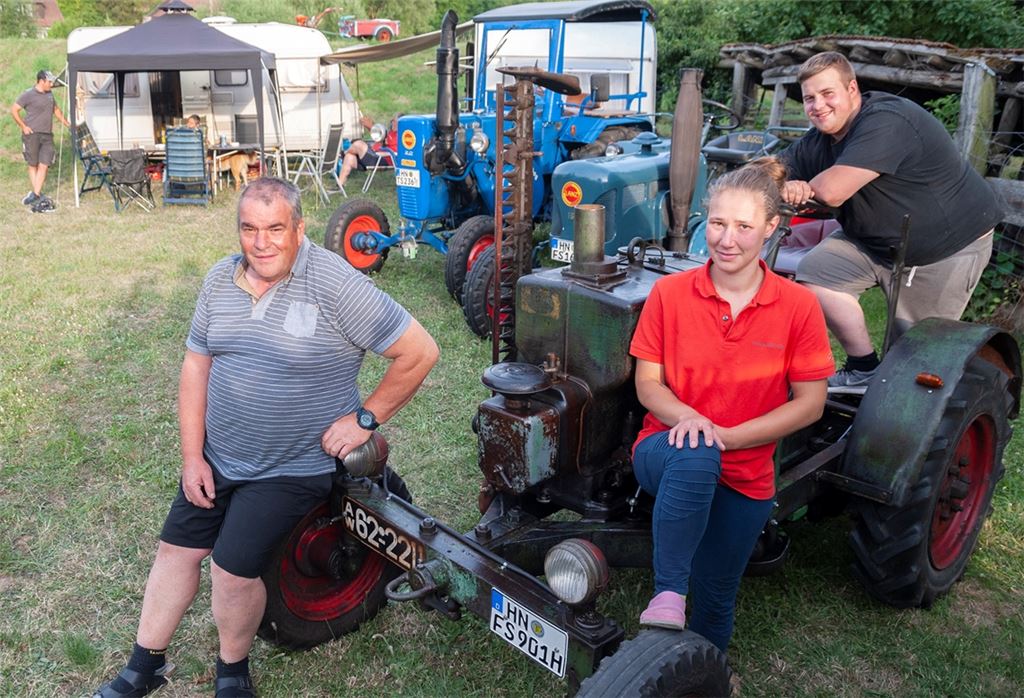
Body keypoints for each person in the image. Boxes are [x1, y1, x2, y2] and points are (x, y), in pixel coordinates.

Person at [93, 177, 439, 698]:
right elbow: (195, 366)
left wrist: (364, 419)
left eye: (276, 228)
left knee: (231, 570)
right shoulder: (219, 281)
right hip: (220, 456)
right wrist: (193, 457)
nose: (262, 242)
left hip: (292, 466)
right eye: (250, 229)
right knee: (175, 552)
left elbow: (419, 351)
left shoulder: (334, 285)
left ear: (299, 229)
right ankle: (144, 668)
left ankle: (233, 672)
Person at [629, 158, 833, 653]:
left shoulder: (798, 306)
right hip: (666, 446)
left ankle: (707, 674)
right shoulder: (670, 293)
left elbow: (811, 404)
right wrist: (693, 419)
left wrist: (733, 437)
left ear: (770, 227)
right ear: (705, 222)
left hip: (747, 470)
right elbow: (649, 386)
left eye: (744, 226)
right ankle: (669, 592)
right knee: (697, 451)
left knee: (719, 594)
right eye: (718, 223)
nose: (727, 239)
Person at [781, 52, 1002, 389]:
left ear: (852, 88)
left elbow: (833, 191)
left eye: (828, 94)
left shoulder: (887, 120)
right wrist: (778, 182)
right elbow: (769, 171)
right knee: (817, 275)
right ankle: (863, 368)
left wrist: (798, 189)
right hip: (875, 240)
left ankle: (920, 420)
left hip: (946, 246)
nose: (817, 106)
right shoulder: (818, 142)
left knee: (909, 366)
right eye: (809, 98)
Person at [11, 69, 70, 213]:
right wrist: (23, 126)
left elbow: (56, 110)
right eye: (49, 81)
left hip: (47, 135)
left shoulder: (50, 94)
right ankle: (37, 195)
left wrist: (68, 124)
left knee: (44, 165)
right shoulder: (28, 94)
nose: (51, 84)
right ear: (41, 81)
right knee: (33, 165)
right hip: (31, 135)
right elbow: (14, 110)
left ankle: (35, 195)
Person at [336, 113, 399, 188]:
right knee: (349, 157)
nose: (393, 123)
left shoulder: (400, 136)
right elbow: (380, 137)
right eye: (392, 121)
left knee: (359, 144)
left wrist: (371, 126)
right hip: (373, 156)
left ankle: (342, 154)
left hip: (382, 159)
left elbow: (389, 145)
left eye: (395, 121)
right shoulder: (390, 133)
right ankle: (340, 185)